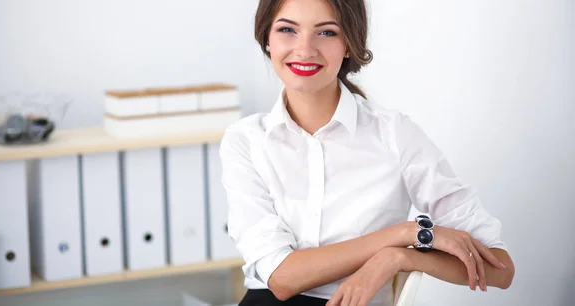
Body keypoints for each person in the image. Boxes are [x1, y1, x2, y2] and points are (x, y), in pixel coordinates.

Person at [219, 0, 515, 305]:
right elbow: (281, 279)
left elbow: (500, 268)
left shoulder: (395, 135)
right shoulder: (245, 141)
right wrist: (402, 234)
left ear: (349, 43)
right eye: (287, 30)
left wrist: (399, 259)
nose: (305, 49)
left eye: (327, 33)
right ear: (267, 39)